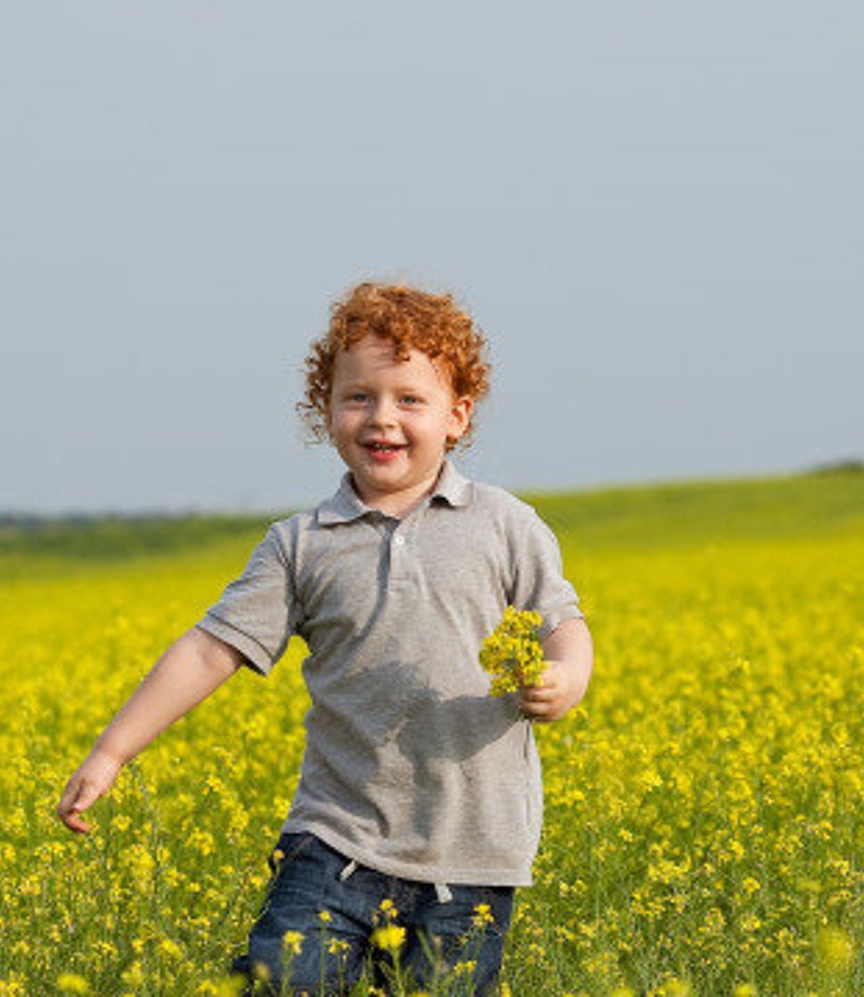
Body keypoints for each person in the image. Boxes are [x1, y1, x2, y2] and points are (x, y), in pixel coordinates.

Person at [56, 281, 593, 995]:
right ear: (326, 410)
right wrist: (113, 750)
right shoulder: (301, 544)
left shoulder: (505, 524)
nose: (382, 418)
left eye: (410, 398)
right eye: (358, 396)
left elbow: (564, 624)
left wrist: (564, 679)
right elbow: (210, 649)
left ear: (457, 415)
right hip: (331, 842)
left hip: (469, 860)